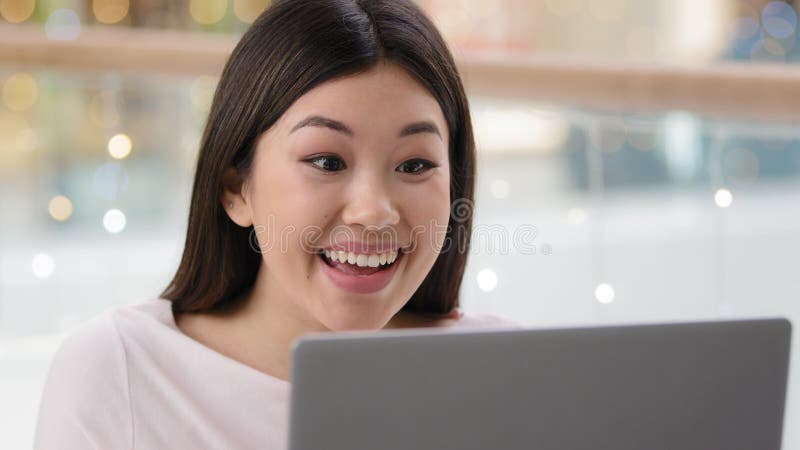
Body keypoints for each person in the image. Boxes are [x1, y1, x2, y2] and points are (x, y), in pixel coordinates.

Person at [33, 0, 522, 448]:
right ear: (235, 188)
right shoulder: (121, 371)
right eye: (327, 161)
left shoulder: (508, 371)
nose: (374, 211)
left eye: (415, 165)